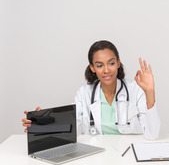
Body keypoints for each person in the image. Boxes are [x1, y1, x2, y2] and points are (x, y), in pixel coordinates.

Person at [22, 40, 160, 140]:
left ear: (118, 63)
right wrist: (43, 121)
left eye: (111, 63)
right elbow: (71, 123)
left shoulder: (136, 89)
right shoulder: (84, 93)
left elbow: (152, 134)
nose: (106, 70)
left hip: (129, 152)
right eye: (99, 65)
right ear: (93, 68)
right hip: (97, 154)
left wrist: (150, 92)